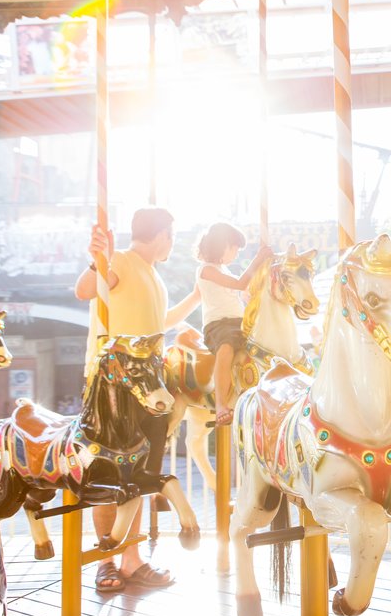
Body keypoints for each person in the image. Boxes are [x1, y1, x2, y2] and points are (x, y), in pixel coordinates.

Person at [73, 208, 200, 593]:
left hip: (146, 382)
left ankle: (132, 559)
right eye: (172, 237)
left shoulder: (152, 274)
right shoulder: (124, 261)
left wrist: (196, 296)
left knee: (139, 474)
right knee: (109, 474)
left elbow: (160, 322)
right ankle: (105, 560)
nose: (172, 244)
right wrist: (98, 259)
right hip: (115, 382)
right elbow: (85, 289)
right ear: (161, 235)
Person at [194, 222, 271, 426]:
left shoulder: (224, 270)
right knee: (226, 348)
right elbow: (239, 284)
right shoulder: (206, 270)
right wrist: (256, 261)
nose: (236, 253)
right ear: (222, 246)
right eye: (234, 248)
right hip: (219, 326)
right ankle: (220, 404)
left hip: (239, 323)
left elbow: (244, 292)